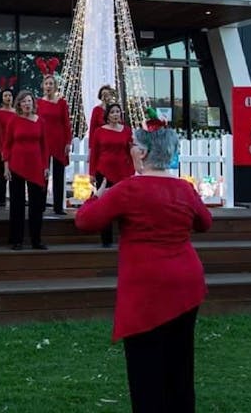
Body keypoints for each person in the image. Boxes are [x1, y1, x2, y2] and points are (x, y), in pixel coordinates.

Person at [75, 116, 212, 413]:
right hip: (186, 282)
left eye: (135, 145)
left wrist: (94, 197)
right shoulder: (184, 189)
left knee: (145, 369)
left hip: (147, 288)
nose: (131, 149)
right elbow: (205, 222)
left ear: (146, 153)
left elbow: (86, 221)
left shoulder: (128, 190)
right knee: (180, 364)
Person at [4, 90, 49, 250]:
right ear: (19, 105)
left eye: (29, 101)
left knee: (36, 205)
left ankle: (36, 240)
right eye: (23, 101)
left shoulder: (40, 121)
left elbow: (44, 146)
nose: (26, 104)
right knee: (17, 204)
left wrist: (45, 167)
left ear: (33, 103)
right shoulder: (13, 121)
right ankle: (17, 240)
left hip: (36, 166)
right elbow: (7, 145)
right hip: (16, 165)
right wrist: (6, 166)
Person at [89, 103, 134, 247]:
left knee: (124, 206)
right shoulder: (99, 132)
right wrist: (92, 173)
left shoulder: (127, 131)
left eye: (118, 112)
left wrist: (132, 170)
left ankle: (126, 237)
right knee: (105, 205)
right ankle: (106, 239)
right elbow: (94, 154)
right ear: (107, 115)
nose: (115, 114)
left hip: (122, 172)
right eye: (113, 112)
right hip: (104, 171)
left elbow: (131, 152)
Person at [36, 59, 71, 216]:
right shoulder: (38, 103)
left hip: (58, 141)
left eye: (51, 84)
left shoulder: (62, 103)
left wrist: (68, 142)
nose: (48, 86)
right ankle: (41, 204)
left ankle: (58, 206)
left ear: (55, 86)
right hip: (43, 142)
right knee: (42, 173)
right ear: (43, 86)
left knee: (58, 174)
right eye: (46, 84)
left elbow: (66, 123)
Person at [0, 87, 16, 208]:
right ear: (2, 98)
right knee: (2, 174)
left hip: (16, 146)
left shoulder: (17, 112)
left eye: (10, 95)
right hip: (3, 145)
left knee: (15, 173)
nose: (8, 98)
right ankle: (1, 198)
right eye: (5, 96)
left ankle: (15, 197)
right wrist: (0, 148)